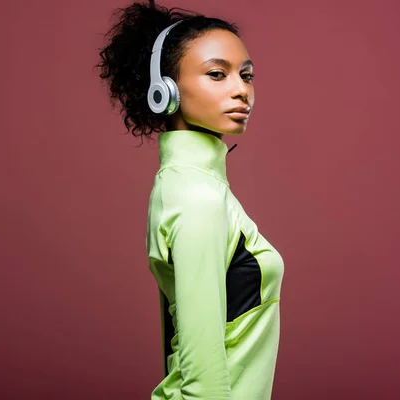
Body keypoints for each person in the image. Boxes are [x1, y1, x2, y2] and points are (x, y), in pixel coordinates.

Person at [96, 1, 285, 399]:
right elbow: (202, 377)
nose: (241, 90)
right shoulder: (196, 196)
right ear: (164, 90)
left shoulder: (189, 185)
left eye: (246, 75)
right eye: (217, 74)